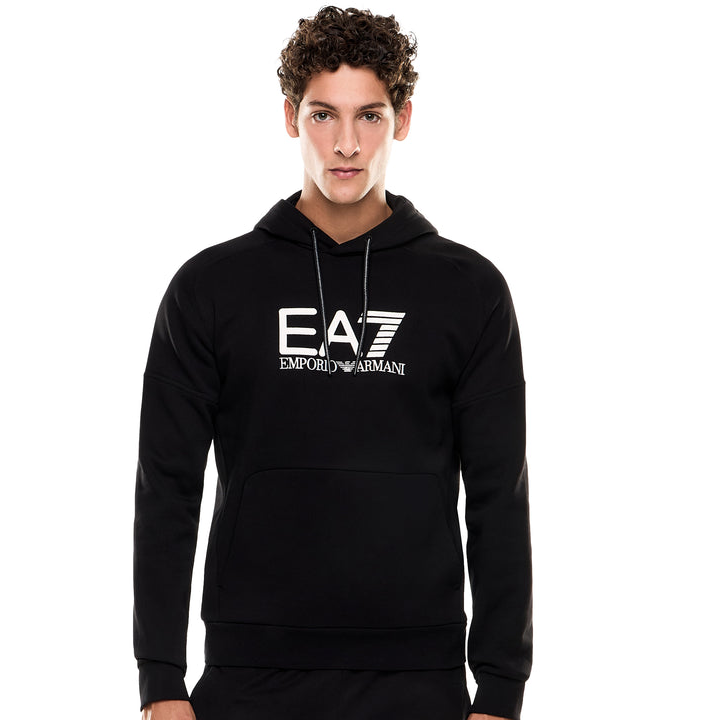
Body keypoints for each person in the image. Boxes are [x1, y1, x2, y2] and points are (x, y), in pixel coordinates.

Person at [133, 6, 532, 720]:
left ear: (402, 120)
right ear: (290, 116)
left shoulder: (469, 291)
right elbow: (167, 488)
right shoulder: (211, 288)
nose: (346, 144)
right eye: (323, 115)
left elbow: (499, 495)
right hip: (249, 675)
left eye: (369, 116)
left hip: (419, 677)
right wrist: (160, 682)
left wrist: (501, 691)